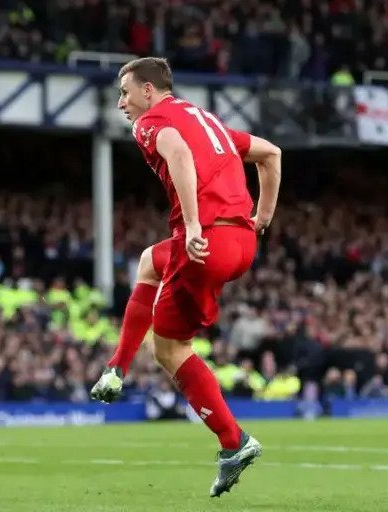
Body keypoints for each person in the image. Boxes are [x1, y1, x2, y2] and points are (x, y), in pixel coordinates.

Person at [90, 57, 282, 497]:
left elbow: (176, 151)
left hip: (206, 241)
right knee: (148, 261)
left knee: (170, 348)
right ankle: (116, 367)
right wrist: (262, 218)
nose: (121, 102)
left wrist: (193, 224)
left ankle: (234, 442)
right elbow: (271, 154)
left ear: (148, 91)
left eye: (125, 92)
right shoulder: (208, 121)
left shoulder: (150, 122)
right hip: (242, 244)